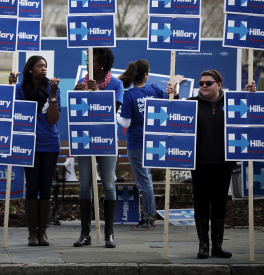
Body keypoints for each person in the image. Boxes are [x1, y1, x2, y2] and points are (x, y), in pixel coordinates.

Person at [189, 70, 255, 259]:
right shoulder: (192, 104)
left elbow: (250, 110)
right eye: (201, 83)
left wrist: (250, 93)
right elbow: (173, 110)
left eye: (208, 83)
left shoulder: (231, 104)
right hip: (200, 163)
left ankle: (217, 246)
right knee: (201, 204)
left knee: (219, 204)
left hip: (223, 163)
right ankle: (203, 245)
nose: (203, 86)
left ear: (219, 84)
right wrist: (173, 94)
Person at [117, 60, 176, 229]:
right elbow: (170, 103)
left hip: (136, 142)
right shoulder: (155, 90)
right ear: (145, 75)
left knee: (144, 180)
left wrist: (114, 114)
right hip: (154, 141)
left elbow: (126, 123)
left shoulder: (129, 95)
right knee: (146, 178)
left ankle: (149, 216)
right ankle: (149, 214)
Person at [9, 55, 61, 247]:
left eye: (45, 65)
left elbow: (53, 120)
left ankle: (43, 232)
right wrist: (11, 86)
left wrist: (53, 96)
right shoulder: (21, 89)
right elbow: (13, 111)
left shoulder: (52, 88)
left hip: (49, 143)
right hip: (28, 144)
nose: (44, 68)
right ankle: (32, 233)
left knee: (45, 188)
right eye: (40, 66)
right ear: (30, 69)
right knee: (32, 187)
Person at [73, 48, 122, 249]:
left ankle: (109, 232)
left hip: (106, 139)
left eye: (90, 60)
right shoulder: (81, 82)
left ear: (101, 64)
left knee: (109, 184)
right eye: (86, 59)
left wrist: (98, 92)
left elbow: (114, 109)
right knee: (85, 184)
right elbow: (76, 111)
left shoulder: (116, 84)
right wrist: (77, 95)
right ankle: (85, 233)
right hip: (84, 139)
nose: (87, 63)